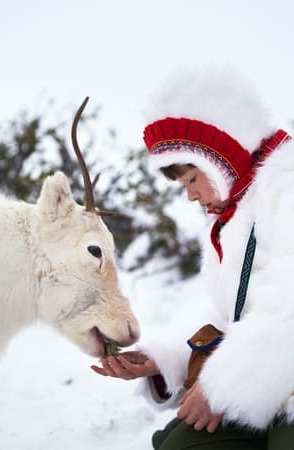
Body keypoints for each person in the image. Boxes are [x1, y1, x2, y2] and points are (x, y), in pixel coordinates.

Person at [91, 66, 294, 449]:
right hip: (265, 383)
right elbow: (229, 314)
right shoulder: (233, 216)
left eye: (191, 179)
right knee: (179, 445)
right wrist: (164, 360)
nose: (191, 196)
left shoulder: (287, 186)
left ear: (223, 153)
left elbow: (288, 310)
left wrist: (220, 387)